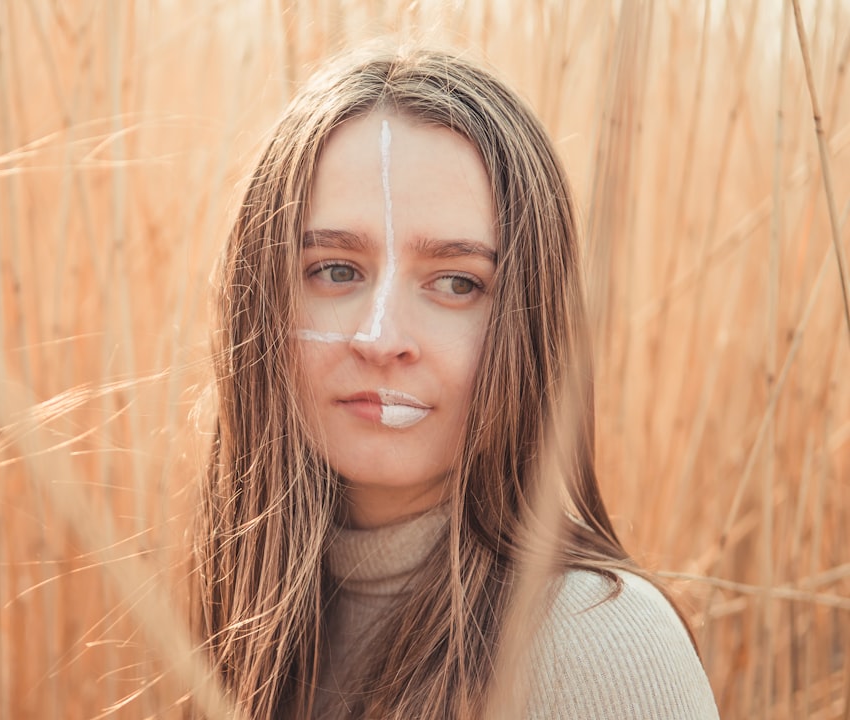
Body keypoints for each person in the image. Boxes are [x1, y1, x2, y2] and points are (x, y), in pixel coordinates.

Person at [195, 44, 720, 719]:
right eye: (335, 270)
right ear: (258, 300)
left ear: (530, 326)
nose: (381, 338)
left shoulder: (597, 642)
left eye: (456, 283)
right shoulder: (257, 613)